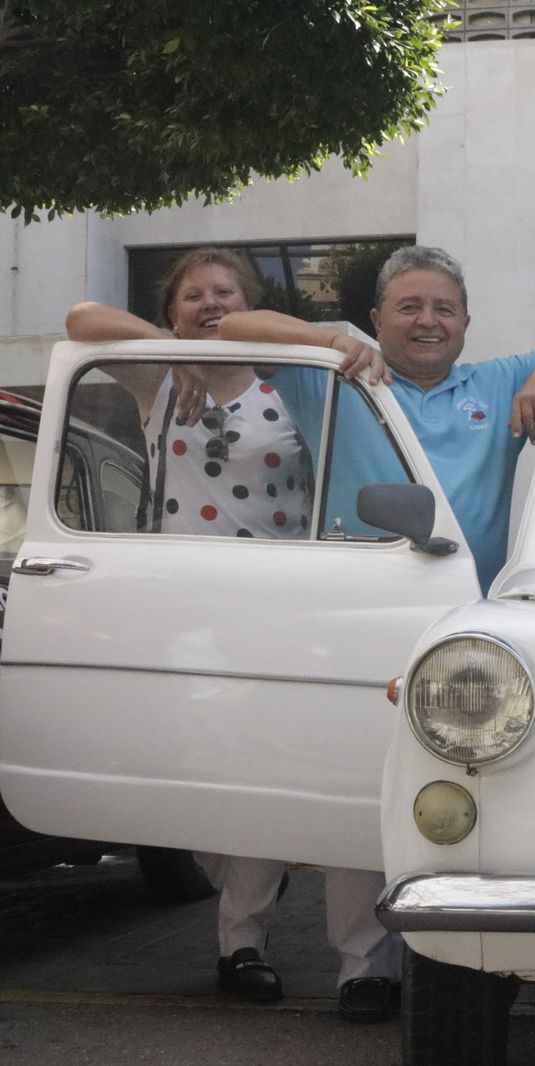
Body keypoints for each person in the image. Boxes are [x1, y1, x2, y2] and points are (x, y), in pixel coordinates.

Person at [64, 248, 404, 1022]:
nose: (209, 305)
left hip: (296, 610)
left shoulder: (296, 386)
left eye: (225, 294)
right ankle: (240, 942)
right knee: (223, 791)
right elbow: (81, 320)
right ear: (171, 309)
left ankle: (361, 962)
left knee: (333, 783)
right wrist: (172, 352)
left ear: (248, 304)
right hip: (193, 618)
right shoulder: (156, 377)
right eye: (193, 295)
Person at [218, 245, 535, 593]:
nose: (427, 321)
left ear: (465, 324)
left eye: (445, 309)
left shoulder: (497, 383)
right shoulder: (334, 378)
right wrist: (332, 343)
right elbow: (233, 326)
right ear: (377, 320)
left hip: (469, 609)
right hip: (353, 600)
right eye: (409, 307)